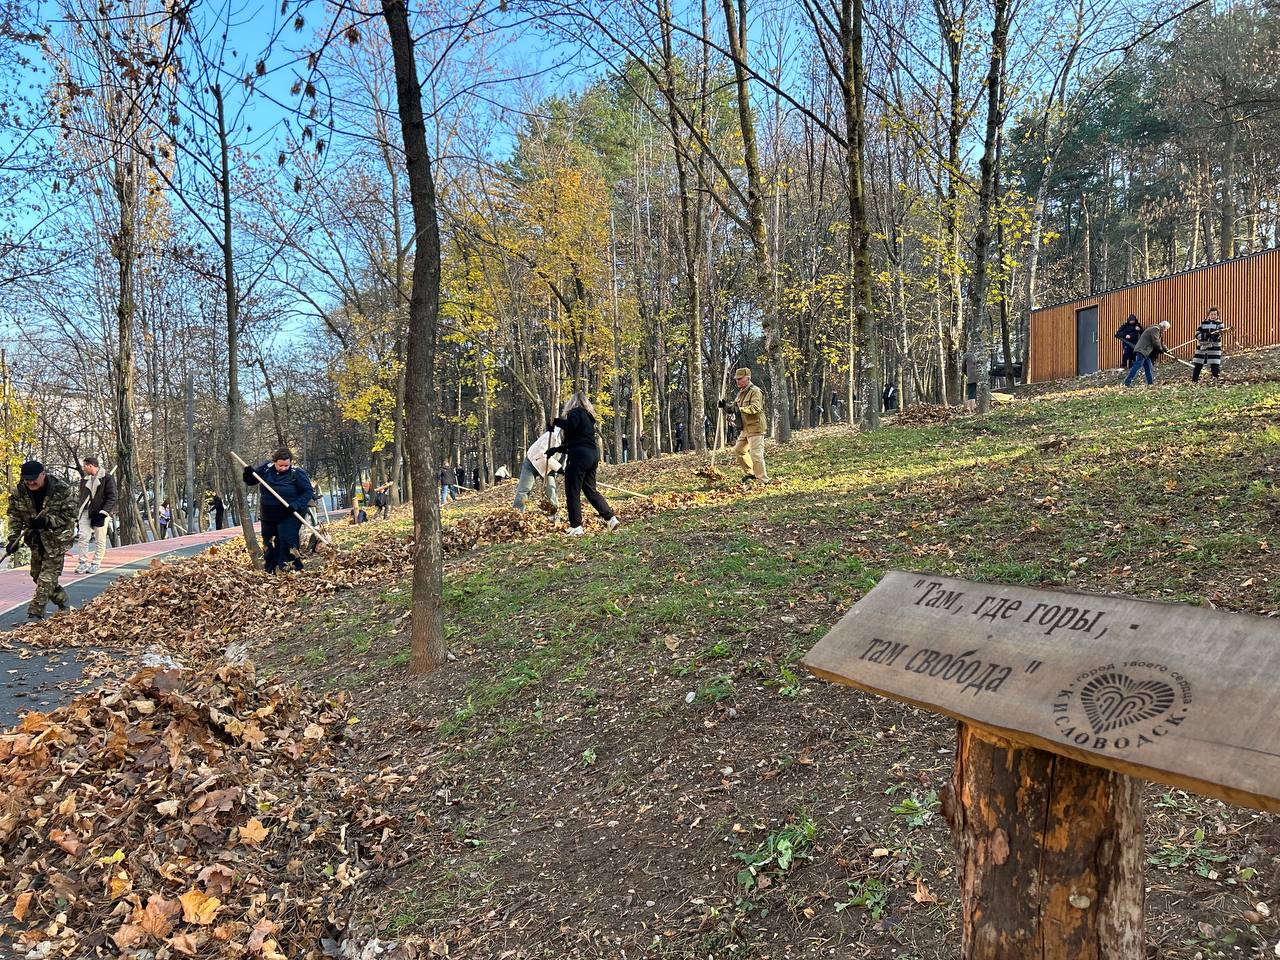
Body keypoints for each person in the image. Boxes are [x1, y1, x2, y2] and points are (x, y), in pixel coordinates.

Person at [7, 461, 78, 621]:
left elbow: (70, 514)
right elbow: (15, 516)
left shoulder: (61, 489)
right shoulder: (20, 492)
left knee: (47, 578)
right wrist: (13, 539)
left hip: (57, 540)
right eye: (27, 479)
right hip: (35, 540)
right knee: (37, 575)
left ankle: (34, 614)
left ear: (43, 474)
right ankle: (63, 600)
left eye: (34, 479)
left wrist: (47, 521)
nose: (30, 482)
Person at [548, 392, 620, 537]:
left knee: (572, 491)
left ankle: (576, 526)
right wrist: (555, 450)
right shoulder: (588, 418)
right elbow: (570, 443)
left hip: (579, 457)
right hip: (592, 455)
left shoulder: (576, 413)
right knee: (590, 490)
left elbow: (570, 426)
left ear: (572, 403)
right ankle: (610, 518)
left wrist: (556, 422)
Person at [243, 447, 315, 574]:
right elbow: (251, 481)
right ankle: (271, 570)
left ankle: (291, 569)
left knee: (287, 542)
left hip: (289, 514)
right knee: (269, 543)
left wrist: (296, 505)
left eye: (286, 465)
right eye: (280, 465)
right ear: (275, 461)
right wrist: (248, 473)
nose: (283, 468)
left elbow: (308, 491)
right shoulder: (266, 468)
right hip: (268, 515)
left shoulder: (296, 472)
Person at [719, 367, 768, 483]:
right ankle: (752, 473)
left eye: (740, 379)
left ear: (748, 378)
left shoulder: (755, 391)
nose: (738, 381)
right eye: (736, 379)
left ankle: (763, 480)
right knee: (739, 450)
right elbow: (733, 408)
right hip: (745, 428)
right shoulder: (741, 393)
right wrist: (725, 406)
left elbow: (756, 408)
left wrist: (739, 409)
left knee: (756, 454)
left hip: (755, 427)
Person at [75, 456, 116, 574]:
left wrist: (104, 512)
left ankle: (96, 563)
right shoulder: (84, 480)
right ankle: (82, 563)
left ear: (90, 466)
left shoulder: (107, 478)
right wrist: (77, 514)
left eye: (85, 466)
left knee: (100, 539)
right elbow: (82, 498)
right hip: (85, 512)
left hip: (101, 512)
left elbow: (112, 497)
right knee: (83, 536)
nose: (83, 468)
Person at [512, 425, 563, 518]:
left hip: (548, 466)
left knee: (551, 489)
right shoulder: (551, 435)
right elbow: (541, 453)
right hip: (532, 461)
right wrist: (559, 468)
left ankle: (553, 514)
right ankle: (517, 514)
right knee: (524, 489)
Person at [1124, 320, 1171, 387]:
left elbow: (1161, 343)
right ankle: (1127, 382)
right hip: (1142, 350)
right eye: (1166, 329)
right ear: (1163, 327)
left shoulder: (1157, 330)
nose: (1166, 331)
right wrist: (1160, 350)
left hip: (1145, 352)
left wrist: (1167, 350)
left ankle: (1150, 383)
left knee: (1148, 367)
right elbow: (1156, 342)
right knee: (1137, 365)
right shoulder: (1155, 329)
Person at [1192, 306, 1225, 383]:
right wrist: (1203, 336)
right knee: (1198, 364)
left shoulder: (1220, 324)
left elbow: (1218, 335)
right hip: (1202, 347)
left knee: (1214, 365)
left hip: (1214, 348)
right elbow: (1197, 333)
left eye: (1215, 314)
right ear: (1209, 315)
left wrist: (1211, 337)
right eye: (1212, 314)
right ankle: (1194, 381)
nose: (1213, 316)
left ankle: (1215, 380)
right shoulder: (1203, 323)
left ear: (1217, 315)